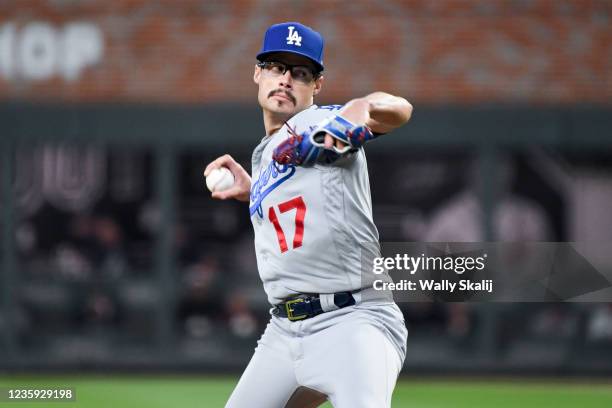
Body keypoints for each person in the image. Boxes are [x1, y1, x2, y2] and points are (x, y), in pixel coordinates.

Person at [205, 22, 413, 408]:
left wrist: (358, 112)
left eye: (300, 73)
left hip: (353, 321)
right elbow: (303, 198)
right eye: (276, 67)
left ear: (317, 85)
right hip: (284, 331)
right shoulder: (267, 153)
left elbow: (398, 110)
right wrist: (255, 191)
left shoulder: (322, 123)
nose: (286, 80)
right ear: (258, 73)